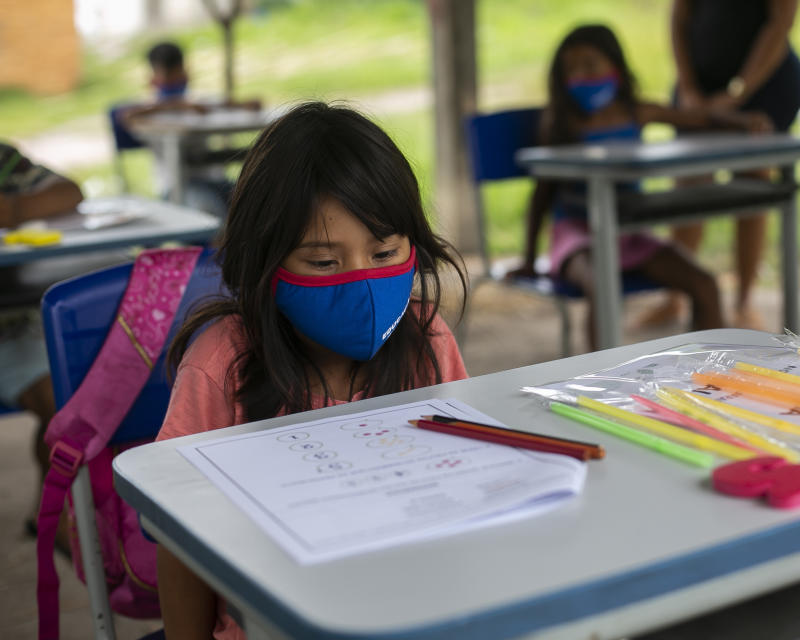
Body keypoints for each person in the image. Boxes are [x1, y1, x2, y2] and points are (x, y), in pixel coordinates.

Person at [154, 102, 469, 639]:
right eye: (324, 262)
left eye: (385, 251)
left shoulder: (427, 339)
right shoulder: (222, 366)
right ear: (264, 258)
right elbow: (178, 536)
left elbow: (465, 479)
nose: (362, 282)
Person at [509, 24, 771, 351]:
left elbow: (696, 119)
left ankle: (712, 380)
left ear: (614, 66)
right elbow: (542, 193)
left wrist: (743, 123)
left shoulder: (636, 112)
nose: (580, 76)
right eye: (570, 69)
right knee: (601, 282)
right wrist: (530, 258)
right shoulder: (562, 122)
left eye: (590, 64)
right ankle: (603, 380)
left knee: (705, 285)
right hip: (576, 236)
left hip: (628, 234)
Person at [646, 0, 800, 329]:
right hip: (700, 86)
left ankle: (744, 301)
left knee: (753, 183)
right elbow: (679, 18)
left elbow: (780, 22)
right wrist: (689, 88)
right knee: (688, 179)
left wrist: (738, 92)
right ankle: (676, 294)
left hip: (764, 85)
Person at [0, 142, 82, 543]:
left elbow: (69, 191)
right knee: (61, 403)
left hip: (15, 323)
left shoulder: (3, 158)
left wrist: (12, 211)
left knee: (71, 403)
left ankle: (52, 511)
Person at [118, 41, 260, 219]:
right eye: (168, 74)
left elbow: (238, 105)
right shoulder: (148, 111)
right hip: (177, 187)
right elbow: (125, 116)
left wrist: (244, 104)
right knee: (208, 213)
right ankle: (216, 245)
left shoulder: (197, 102)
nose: (175, 79)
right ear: (153, 77)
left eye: (178, 72)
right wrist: (176, 105)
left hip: (215, 181)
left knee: (256, 204)